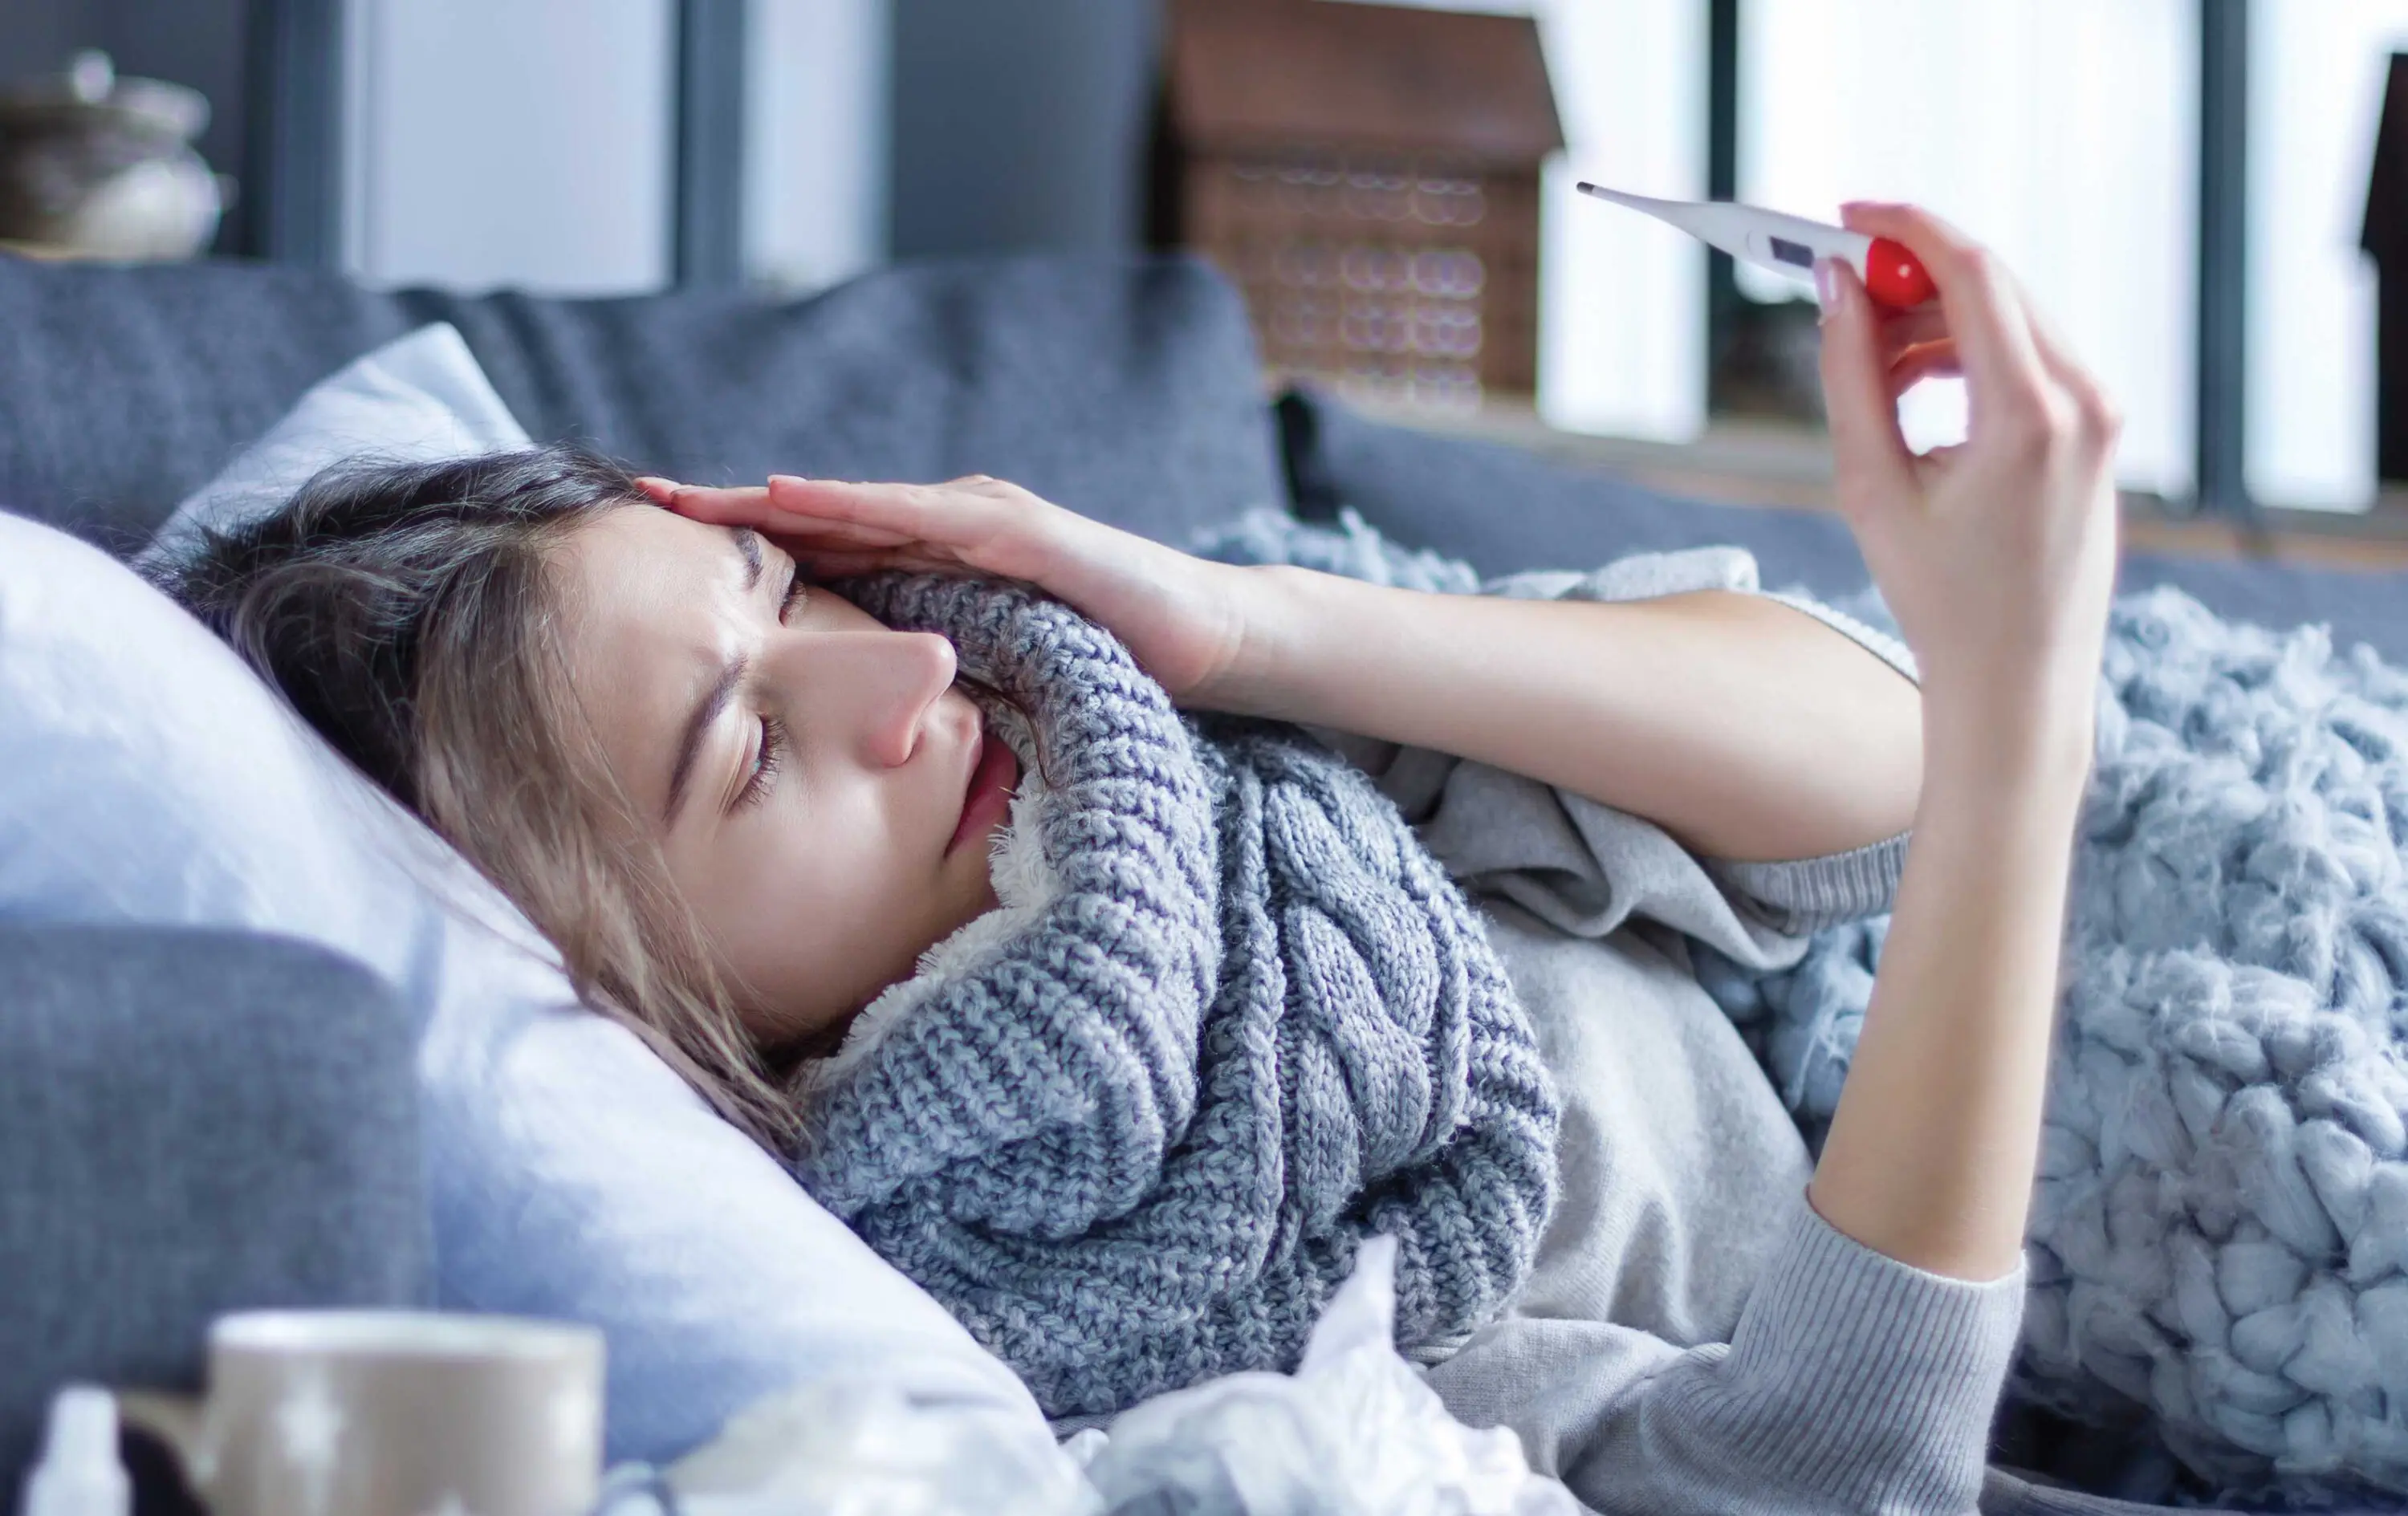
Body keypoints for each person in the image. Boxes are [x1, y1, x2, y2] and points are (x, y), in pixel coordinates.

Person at [169, 205, 2142, 1512]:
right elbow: (1817, 1481)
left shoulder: (1147, 734)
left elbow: (1879, 769)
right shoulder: (1120, 1322)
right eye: (751, 747)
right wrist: (2020, 716)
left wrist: (1245, 624)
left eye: (778, 588)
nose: (905, 665)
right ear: (615, 990)